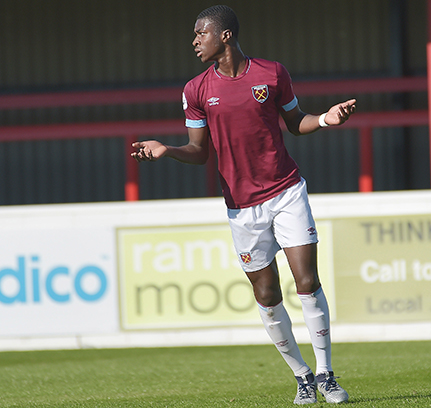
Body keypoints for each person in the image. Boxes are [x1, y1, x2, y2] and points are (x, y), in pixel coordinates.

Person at [131, 5, 355, 405]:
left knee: (307, 282)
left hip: (286, 191)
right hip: (241, 207)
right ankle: (301, 376)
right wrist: (166, 150)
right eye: (195, 35)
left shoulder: (271, 73)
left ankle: (326, 374)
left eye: (201, 33)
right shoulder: (196, 90)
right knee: (267, 296)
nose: (195, 40)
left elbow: (295, 121)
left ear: (226, 36)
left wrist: (324, 119)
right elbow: (200, 153)